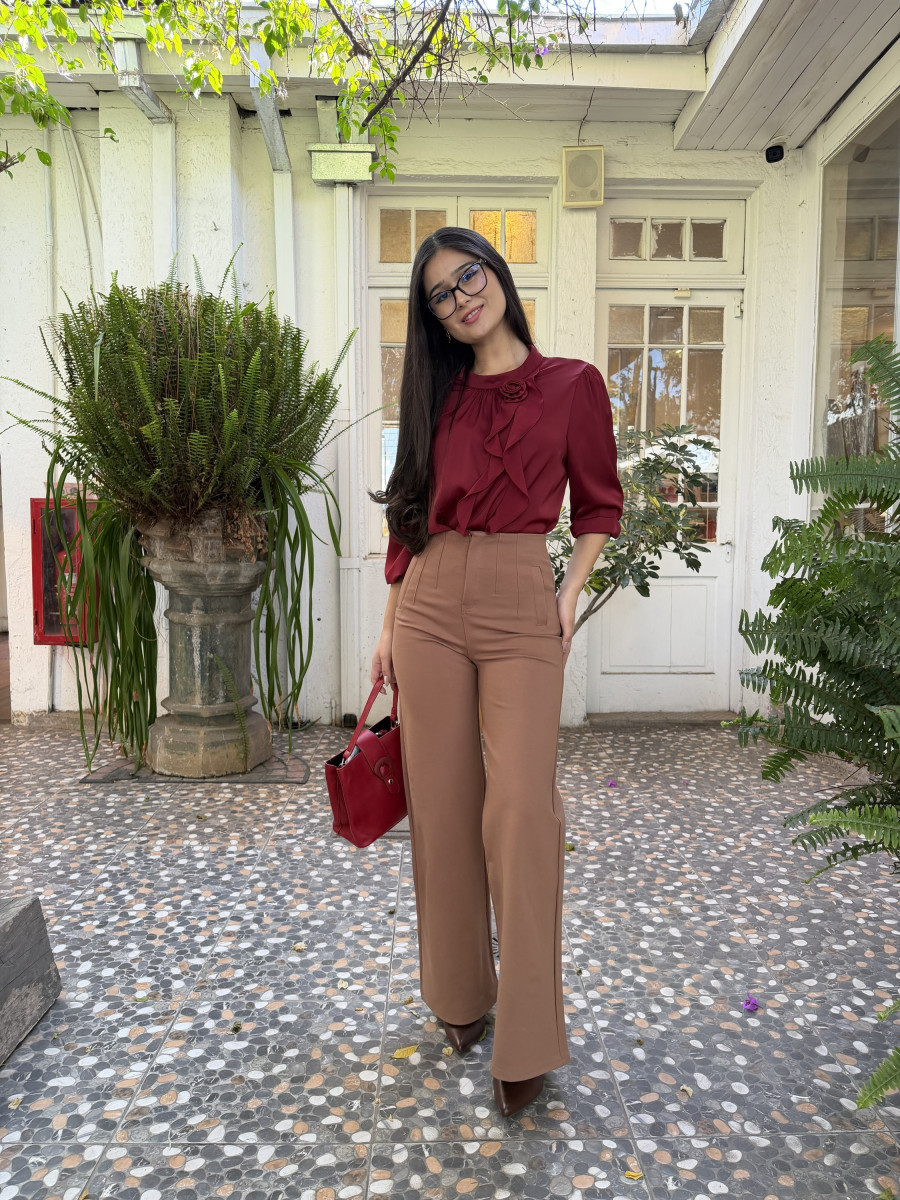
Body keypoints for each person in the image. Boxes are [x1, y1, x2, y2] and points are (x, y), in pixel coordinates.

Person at [368, 226, 623, 1118]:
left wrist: (569, 591)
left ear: (499, 275)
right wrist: (389, 625)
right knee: (441, 807)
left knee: (520, 811)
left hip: (522, 594)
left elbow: (599, 504)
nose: (460, 299)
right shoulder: (437, 397)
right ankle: (459, 995)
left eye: (468, 276)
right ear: (434, 317)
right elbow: (409, 514)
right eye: (440, 295)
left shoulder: (573, 384)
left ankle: (528, 1035)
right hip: (430, 598)